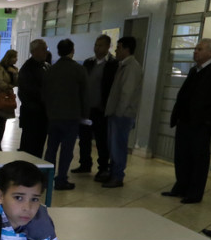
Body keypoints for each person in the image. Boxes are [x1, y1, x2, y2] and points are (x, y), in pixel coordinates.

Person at [163, 38, 211, 204]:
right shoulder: (195, 70)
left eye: (199, 49)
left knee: (198, 159)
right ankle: (181, 187)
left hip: (201, 124)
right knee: (182, 156)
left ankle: (194, 193)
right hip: (184, 121)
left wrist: (207, 121)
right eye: (195, 49)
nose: (195, 52)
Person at [43, 39, 89, 190]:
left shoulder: (51, 69)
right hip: (71, 116)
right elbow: (84, 93)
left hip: (54, 116)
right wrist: (85, 114)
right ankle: (61, 179)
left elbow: (45, 93)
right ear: (72, 50)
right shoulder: (78, 69)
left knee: (51, 149)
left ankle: (46, 179)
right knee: (66, 150)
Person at [74, 35, 118, 181]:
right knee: (84, 139)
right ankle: (85, 164)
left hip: (101, 109)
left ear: (107, 47)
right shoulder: (88, 62)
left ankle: (103, 168)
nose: (97, 48)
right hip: (86, 109)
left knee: (101, 140)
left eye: (100, 45)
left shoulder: (113, 64)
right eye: (96, 45)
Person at [101, 36, 143, 188]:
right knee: (113, 146)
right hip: (116, 113)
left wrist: (118, 113)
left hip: (122, 115)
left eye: (118, 48)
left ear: (126, 49)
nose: (116, 51)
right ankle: (113, 173)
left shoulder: (132, 67)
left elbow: (126, 93)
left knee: (118, 146)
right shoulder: (123, 65)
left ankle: (118, 176)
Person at [17, 39, 49, 158]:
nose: (46, 52)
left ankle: (35, 169)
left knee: (39, 146)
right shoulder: (27, 68)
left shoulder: (45, 66)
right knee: (29, 146)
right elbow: (28, 92)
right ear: (34, 51)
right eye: (43, 49)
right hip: (32, 114)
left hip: (42, 115)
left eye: (46, 49)